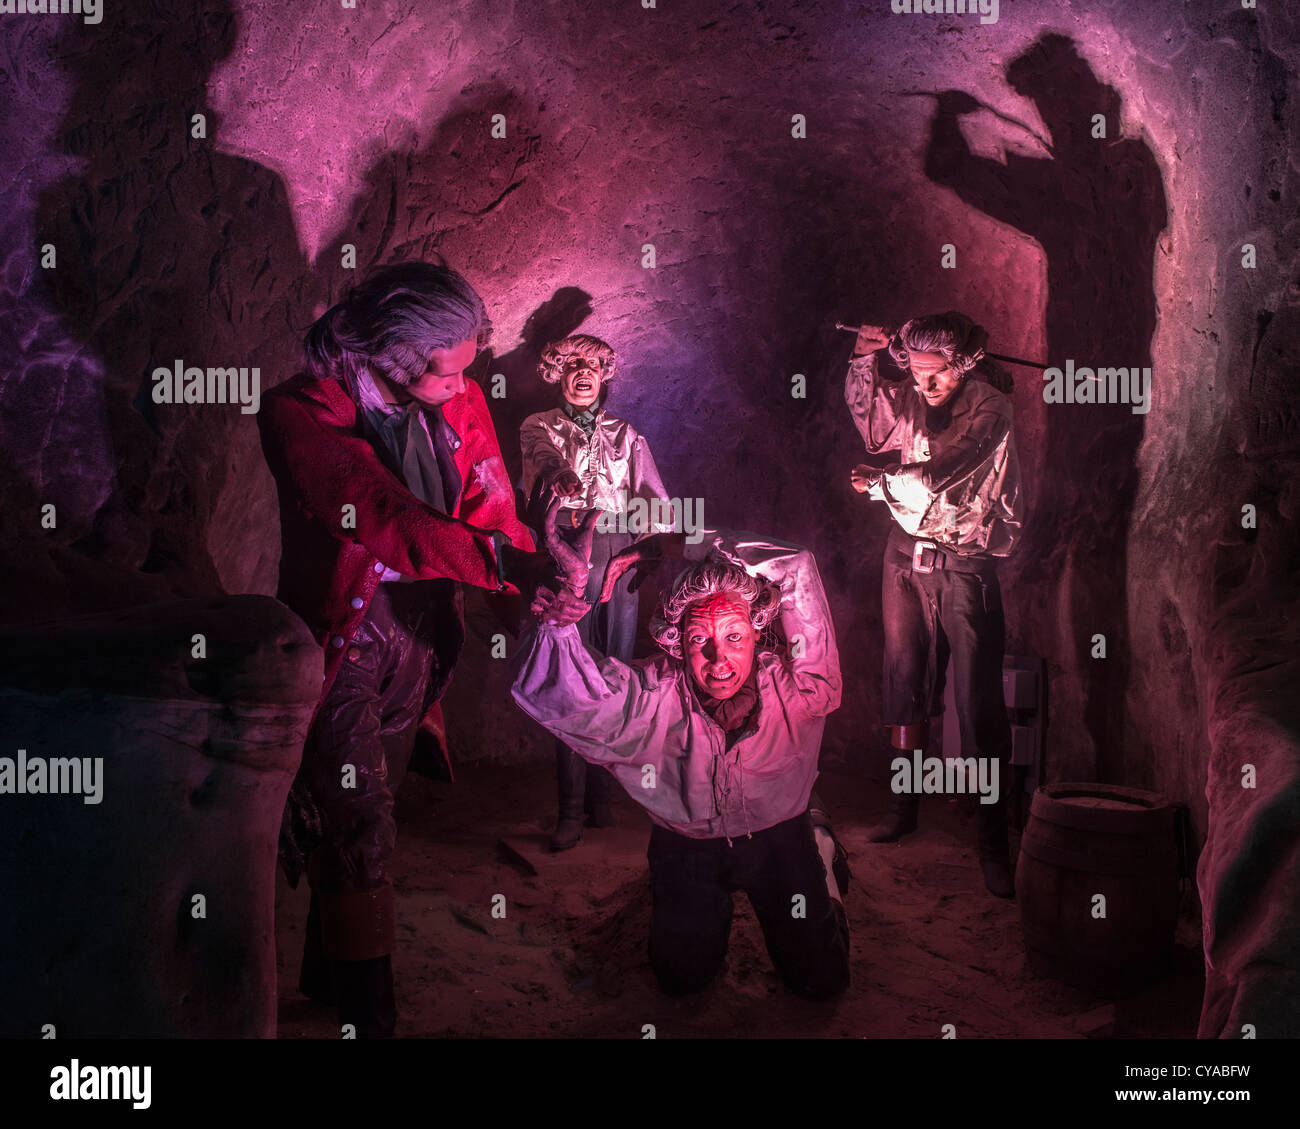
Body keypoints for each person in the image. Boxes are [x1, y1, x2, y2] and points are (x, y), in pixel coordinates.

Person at [258, 259, 546, 1037]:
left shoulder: (460, 397)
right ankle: (368, 1019)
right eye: (449, 371)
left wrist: (537, 570)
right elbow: (379, 513)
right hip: (345, 636)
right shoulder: (299, 412)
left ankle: (327, 972)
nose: (462, 385)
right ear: (396, 355)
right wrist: (502, 562)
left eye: (468, 369)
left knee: (359, 812)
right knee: (359, 822)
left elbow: (491, 505)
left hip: (419, 631)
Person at [512, 518, 851, 998]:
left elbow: (794, 564)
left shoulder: (802, 687)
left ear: (757, 635)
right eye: (699, 640)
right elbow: (577, 697)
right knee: (681, 979)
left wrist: (671, 546)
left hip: (781, 838)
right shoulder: (656, 695)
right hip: (688, 848)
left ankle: (821, 846)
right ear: (677, 642)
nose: (718, 659)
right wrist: (560, 625)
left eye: (734, 637)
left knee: (823, 980)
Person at [844, 312, 1022, 898]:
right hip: (905, 556)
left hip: (967, 564)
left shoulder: (992, 407)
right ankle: (904, 807)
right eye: (916, 374)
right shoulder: (913, 395)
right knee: (906, 683)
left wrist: (882, 482)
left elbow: (951, 469)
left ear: (964, 363)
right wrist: (864, 359)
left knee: (978, 701)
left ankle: (993, 840)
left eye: (937, 375)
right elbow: (874, 429)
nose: (926, 386)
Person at [519, 334, 673, 850]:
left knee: (613, 670)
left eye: (593, 366)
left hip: (618, 550)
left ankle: (601, 800)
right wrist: (560, 475)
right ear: (558, 373)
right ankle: (569, 810)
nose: (583, 373)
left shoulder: (626, 434)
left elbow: (654, 502)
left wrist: (637, 554)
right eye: (573, 365)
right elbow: (542, 458)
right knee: (570, 674)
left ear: (605, 375)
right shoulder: (538, 425)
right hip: (565, 546)